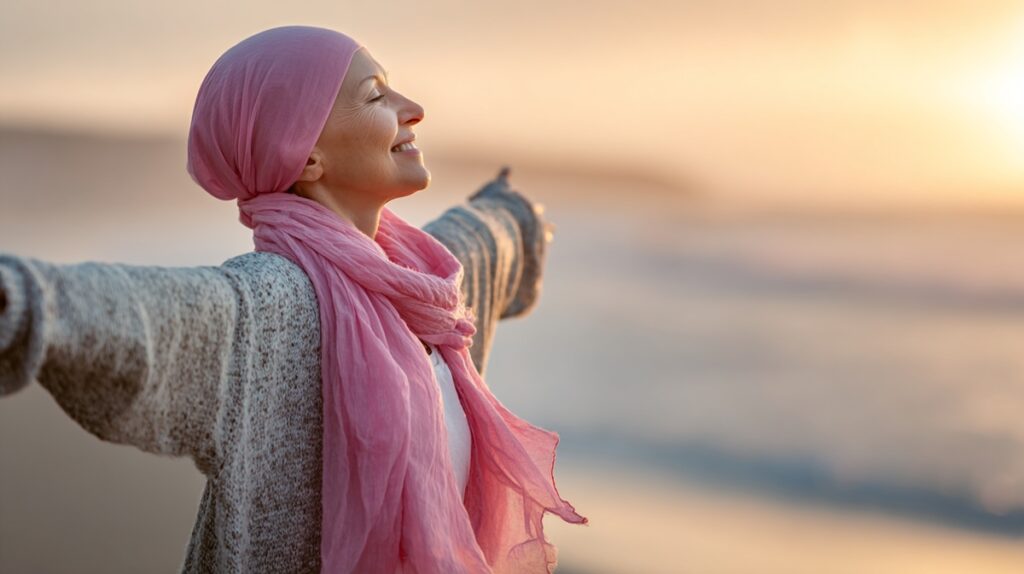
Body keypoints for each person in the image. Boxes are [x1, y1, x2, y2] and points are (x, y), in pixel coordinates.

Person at [0, 25, 585, 574]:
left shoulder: (426, 282)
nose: (413, 107)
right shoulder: (273, 308)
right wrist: (22, 300)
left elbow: (485, 237)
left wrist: (512, 211)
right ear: (305, 156)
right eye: (375, 95)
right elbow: (150, 314)